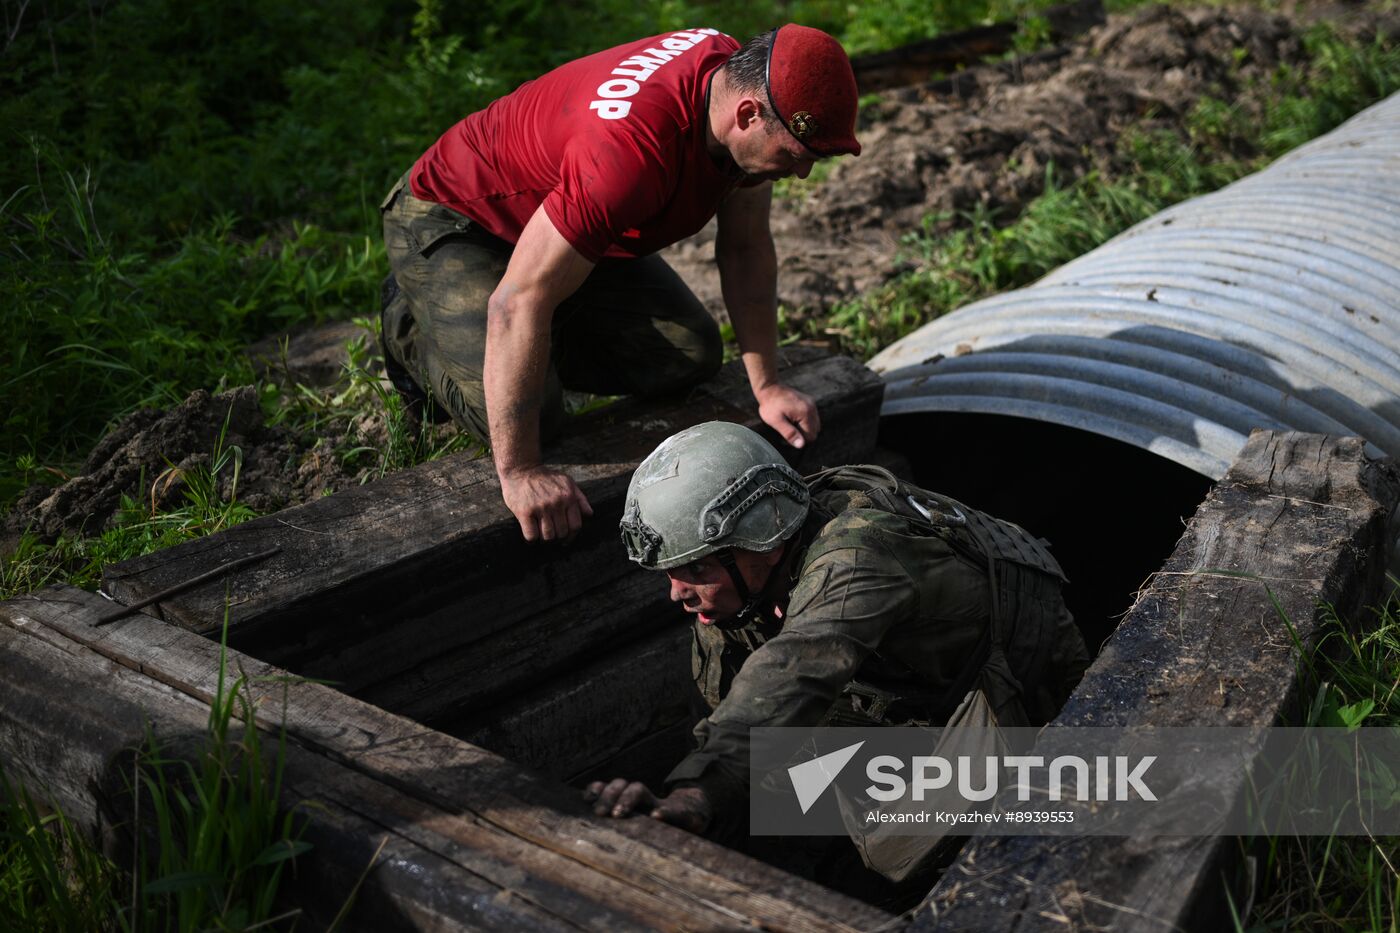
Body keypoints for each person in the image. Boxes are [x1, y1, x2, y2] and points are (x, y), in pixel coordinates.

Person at [379, 25, 862, 542]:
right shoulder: (628, 155)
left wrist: (766, 385)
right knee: (534, 421)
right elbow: (518, 302)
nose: (802, 173)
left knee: (687, 354)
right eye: (795, 155)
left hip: (566, 223)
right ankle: (408, 326)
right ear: (747, 115)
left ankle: (530, 330)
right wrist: (520, 473)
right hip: (459, 215)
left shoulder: (739, 101)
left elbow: (745, 249)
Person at [586, 421, 1089, 847]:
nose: (677, 592)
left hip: (1015, 678)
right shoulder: (749, 579)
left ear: (758, 543)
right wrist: (693, 794)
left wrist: (701, 792)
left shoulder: (859, 558)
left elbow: (796, 670)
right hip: (905, 685)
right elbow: (732, 702)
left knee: (1013, 829)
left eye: (692, 570)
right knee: (784, 785)